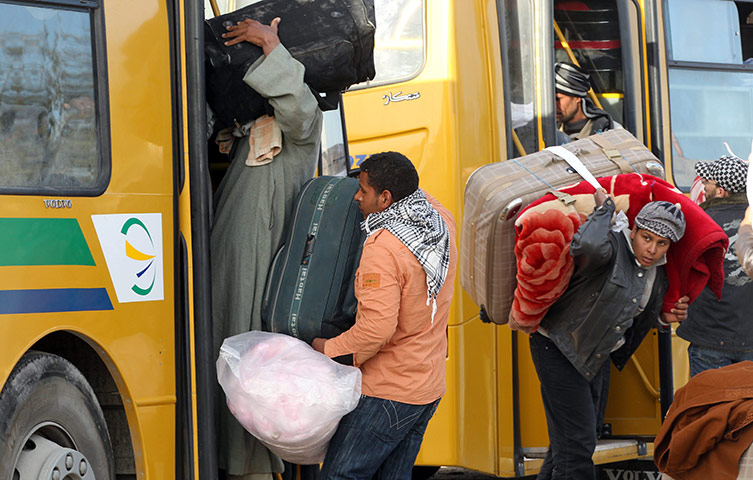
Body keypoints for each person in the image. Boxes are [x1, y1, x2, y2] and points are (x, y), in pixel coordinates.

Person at [210, 17, 323, 480]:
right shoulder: (247, 141)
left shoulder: (301, 128)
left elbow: (297, 105)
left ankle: (253, 466)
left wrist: (271, 44)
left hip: (257, 284)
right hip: (230, 278)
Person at [311, 152, 457, 480]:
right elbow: (416, 191)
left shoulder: (383, 248)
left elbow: (376, 329)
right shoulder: (440, 221)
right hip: (427, 387)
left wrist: (326, 349)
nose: (357, 196)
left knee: (339, 476)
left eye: (363, 190)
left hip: (387, 393)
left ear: (385, 198)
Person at [527, 191, 689, 480]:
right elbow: (585, 246)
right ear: (634, 230)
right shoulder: (612, 247)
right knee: (578, 443)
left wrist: (663, 316)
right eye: (646, 237)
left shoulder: (658, 273)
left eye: (661, 243)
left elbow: (630, 311)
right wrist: (605, 210)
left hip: (595, 355)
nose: (651, 249)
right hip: (559, 347)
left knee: (571, 440)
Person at [676, 155, 753, 376]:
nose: (703, 185)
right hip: (751, 340)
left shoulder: (696, 223)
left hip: (709, 339)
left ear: (721, 191)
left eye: (707, 181)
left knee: (709, 408)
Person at [555, 62, 615, 140]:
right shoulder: (550, 133)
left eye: (558, 99)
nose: (554, 105)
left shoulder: (609, 131)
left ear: (577, 98)